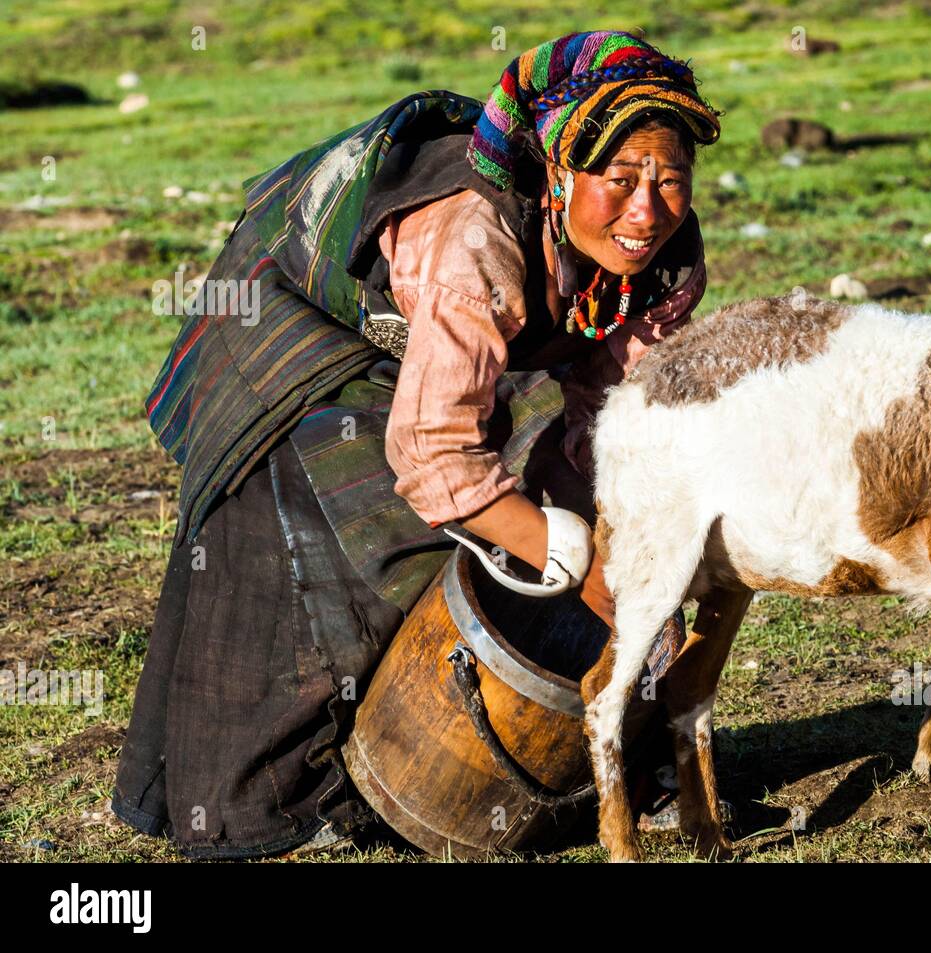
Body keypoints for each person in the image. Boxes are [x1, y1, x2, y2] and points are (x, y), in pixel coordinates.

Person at [111, 30, 724, 859]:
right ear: (560, 174)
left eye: (671, 182)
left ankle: (601, 759)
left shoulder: (665, 265)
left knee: (536, 497)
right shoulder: (471, 239)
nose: (647, 211)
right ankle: (301, 784)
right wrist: (560, 550)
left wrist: (619, 560)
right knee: (363, 517)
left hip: (432, 329)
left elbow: (614, 421)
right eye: (619, 181)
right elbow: (433, 451)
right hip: (296, 307)